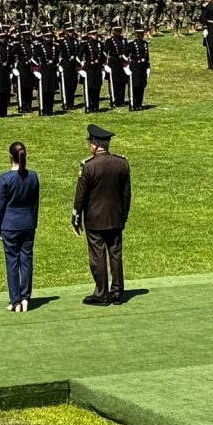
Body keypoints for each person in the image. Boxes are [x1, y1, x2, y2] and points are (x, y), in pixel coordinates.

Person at [72, 124, 131, 306]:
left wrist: (76, 218)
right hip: (115, 217)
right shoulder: (122, 163)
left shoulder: (88, 166)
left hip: (95, 219)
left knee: (97, 256)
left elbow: (80, 195)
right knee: (115, 254)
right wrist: (124, 215)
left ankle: (101, 293)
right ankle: (117, 292)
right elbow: (126, 194)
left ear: (96, 144)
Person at [0, 141, 40, 313]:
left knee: (12, 262)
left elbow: (1, 205)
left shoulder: (5, 178)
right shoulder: (33, 176)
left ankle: (15, 300)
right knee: (26, 261)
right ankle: (26, 297)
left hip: (10, 225)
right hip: (27, 224)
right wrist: (33, 222)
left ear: (10, 157)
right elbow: (35, 204)